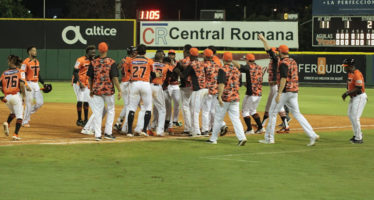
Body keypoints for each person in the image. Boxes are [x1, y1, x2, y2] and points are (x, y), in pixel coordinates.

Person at [259, 45, 319, 146]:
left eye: (278, 51)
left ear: (281, 52)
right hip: (294, 91)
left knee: (272, 113)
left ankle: (269, 139)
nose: (277, 52)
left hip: (285, 91)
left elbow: (283, 78)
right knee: (297, 114)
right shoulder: (292, 61)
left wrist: (279, 93)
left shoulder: (283, 63)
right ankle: (312, 134)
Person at [207, 52, 247, 146]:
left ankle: (213, 139)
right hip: (235, 98)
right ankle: (242, 138)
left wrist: (220, 96)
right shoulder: (237, 69)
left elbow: (221, 83)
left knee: (218, 119)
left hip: (225, 98)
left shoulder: (222, 69)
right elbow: (240, 84)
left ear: (223, 59)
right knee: (236, 119)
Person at [87, 42, 121, 141]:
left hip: (97, 90)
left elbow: (89, 77)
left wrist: (91, 88)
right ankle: (108, 133)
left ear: (99, 50)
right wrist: (119, 90)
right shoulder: (111, 62)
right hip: (108, 90)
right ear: (106, 50)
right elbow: (114, 78)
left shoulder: (93, 62)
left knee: (98, 112)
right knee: (110, 110)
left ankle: (97, 135)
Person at [258, 35, 290, 133]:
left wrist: (264, 40)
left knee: (276, 107)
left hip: (275, 86)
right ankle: (262, 124)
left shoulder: (276, 59)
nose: (273, 52)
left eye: (275, 51)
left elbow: (268, 50)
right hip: (274, 86)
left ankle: (285, 125)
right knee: (269, 105)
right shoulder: (274, 60)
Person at [126, 44, 155, 137]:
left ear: (137, 51)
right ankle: (144, 130)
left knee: (132, 108)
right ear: (145, 52)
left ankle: (129, 131)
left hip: (134, 84)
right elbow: (153, 74)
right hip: (145, 84)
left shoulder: (131, 60)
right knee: (148, 107)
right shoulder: (149, 61)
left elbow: (129, 72)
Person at [182, 47, 208, 137]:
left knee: (194, 111)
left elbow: (184, 76)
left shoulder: (191, 64)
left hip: (197, 90)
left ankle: (196, 131)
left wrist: (178, 70)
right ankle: (205, 129)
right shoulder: (201, 63)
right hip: (205, 89)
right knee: (205, 110)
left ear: (190, 55)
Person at [201, 48, 227, 136]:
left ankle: (205, 130)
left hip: (207, 90)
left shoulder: (203, 65)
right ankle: (221, 125)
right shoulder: (217, 65)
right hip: (216, 90)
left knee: (206, 110)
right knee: (213, 110)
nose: (202, 55)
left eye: (203, 54)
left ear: (205, 56)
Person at [341, 58, 368, 144]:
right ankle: (357, 133)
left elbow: (359, 88)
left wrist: (347, 93)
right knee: (350, 115)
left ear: (351, 66)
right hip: (354, 97)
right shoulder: (350, 73)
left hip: (359, 97)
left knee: (355, 117)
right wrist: (348, 92)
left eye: (346, 66)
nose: (344, 68)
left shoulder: (357, 74)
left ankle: (359, 138)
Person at [1, 55, 27, 140]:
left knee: (14, 112)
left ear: (11, 62)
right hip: (16, 96)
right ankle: (15, 134)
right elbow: (22, 85)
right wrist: (24, 96)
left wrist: (4, 95)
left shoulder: (4, 73)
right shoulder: (20, 71)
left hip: (7, 98)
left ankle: (7, 123)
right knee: (20, 116)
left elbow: (0, 87)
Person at [240, 53, 265, 134]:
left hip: (252, 94)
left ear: (247, 60)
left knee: (245, 111)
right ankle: (260, 128)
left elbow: (240, 67)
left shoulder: (248, 67)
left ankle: (250, 129)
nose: (245, 61)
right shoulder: (259, 67)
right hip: (259, 93)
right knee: (253, 111)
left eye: (245, 59)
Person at [21, 46, 47, 127]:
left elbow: (38, 74)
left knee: (40, 103)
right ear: (29, 52)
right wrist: (25, 85)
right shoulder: (25, 62)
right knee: (29, 103)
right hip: (28, 83)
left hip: (36, 84)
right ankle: (24, 121)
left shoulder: (37, 61)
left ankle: (26, 115)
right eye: (33, 50)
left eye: (36, 50)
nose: (35, 52)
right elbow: (22, 75)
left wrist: (43, 83)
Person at [114, 46, 137, 133]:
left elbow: (117, 67)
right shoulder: (132, 60)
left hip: (123, 84)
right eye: (134, 51)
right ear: (131, 52)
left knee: (127, 105)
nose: (136, 53)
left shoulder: (124, 59)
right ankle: (125, 127)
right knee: (129, 106)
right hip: (128, 84)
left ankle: (118, 123)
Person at [72, 45, 96, 127]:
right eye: (92, 52)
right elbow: (75, 72)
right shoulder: (80, 60)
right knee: (80, 99)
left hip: (87, 83)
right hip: (78, 83)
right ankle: (79, 119)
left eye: (94, 52)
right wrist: (80, 82)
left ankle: (86, 119)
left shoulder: (93, 61)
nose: (94, 54)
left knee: (86, 100)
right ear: (87, 52)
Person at [149, 50, 171, 136]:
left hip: (149, 86)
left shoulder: (151, 64)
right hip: (158, 87)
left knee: (147, 108)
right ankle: (160, 130)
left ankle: (147, 128)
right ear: (162, 58)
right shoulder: (166, 66)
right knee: (162, 109)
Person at [178, 44, 193, 135]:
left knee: (185, 107)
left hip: (185, 87)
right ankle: (193, 127)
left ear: (187, 51)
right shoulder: (195, 61)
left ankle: (188, 128)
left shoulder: (183, 61)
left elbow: (178, 70)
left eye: (184, 51)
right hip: (194, 87)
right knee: (191, 108)